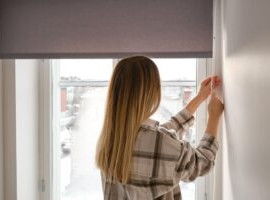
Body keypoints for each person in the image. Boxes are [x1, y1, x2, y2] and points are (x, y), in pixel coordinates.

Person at [95, 56, 224, 200]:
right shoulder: (159, 141)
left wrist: (199, 98)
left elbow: (162, 137)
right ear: (150, 93)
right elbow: (203, 163)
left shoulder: (110, 139)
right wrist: (214, 117)